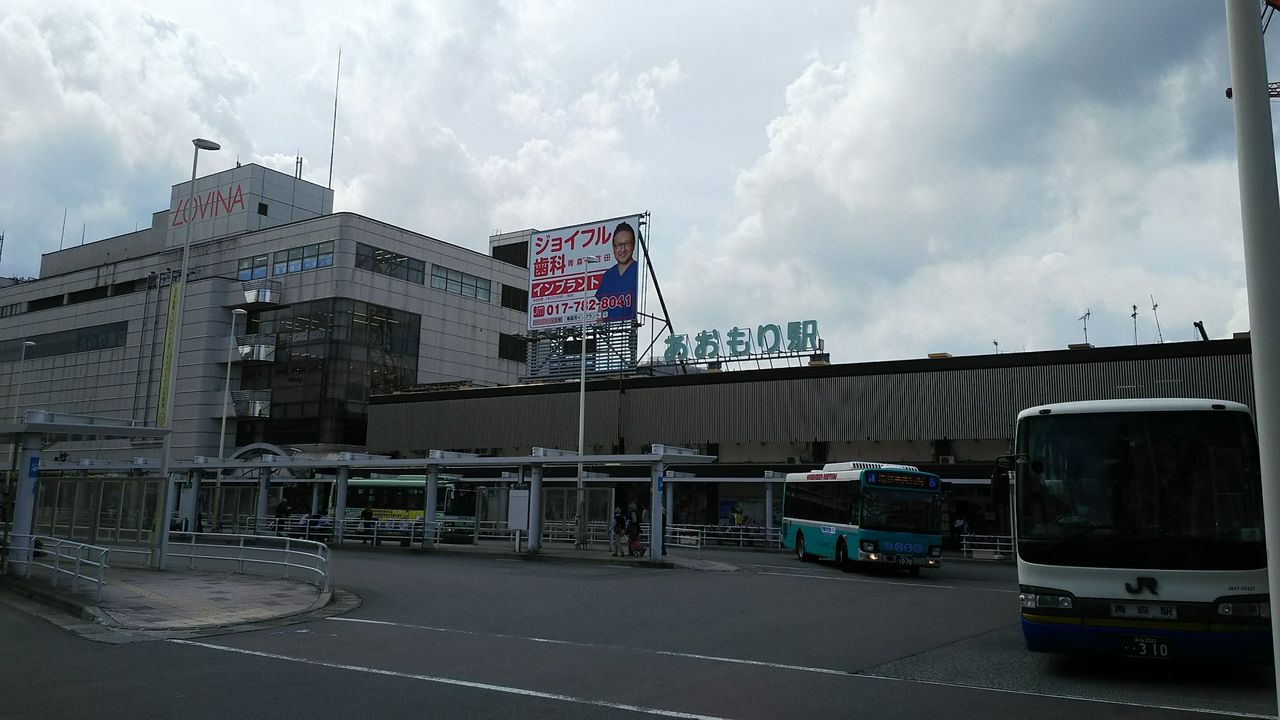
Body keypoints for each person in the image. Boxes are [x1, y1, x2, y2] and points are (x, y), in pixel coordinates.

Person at [593, 221, 638, 323]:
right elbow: (601, 310)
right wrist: (599, 328)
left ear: (634, 245)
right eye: (618, 245)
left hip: (632, 328)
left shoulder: (638, 271)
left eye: (626, 244)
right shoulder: (608, 276)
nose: (622, 249)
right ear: (613, 248)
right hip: (610, 331)